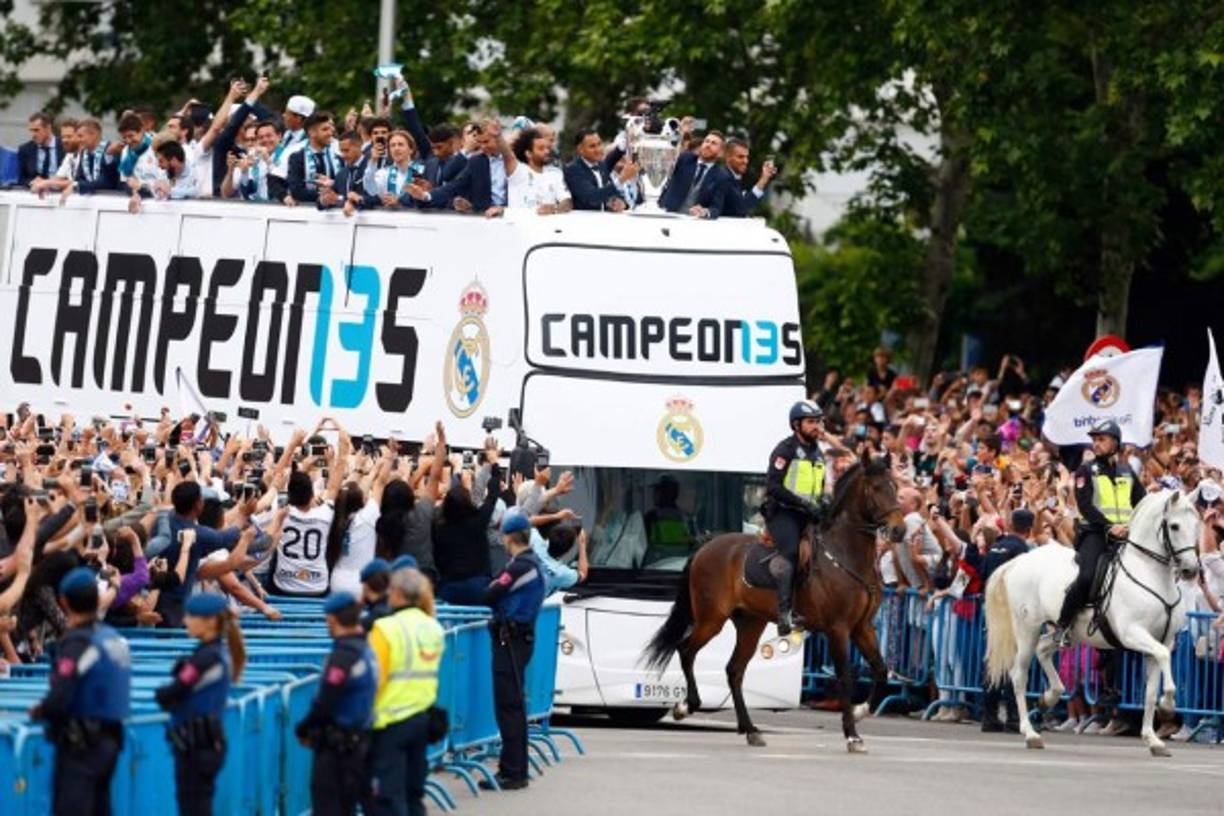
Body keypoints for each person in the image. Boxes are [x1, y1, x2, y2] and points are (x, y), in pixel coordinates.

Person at [27, 567, 131, 816]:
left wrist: (41, 711)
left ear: (63, 601)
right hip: (111, 742)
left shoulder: (78, 643)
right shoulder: (113, 638)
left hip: (82, 747)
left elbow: (60, 695)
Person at [1054, 419, 1146, 645]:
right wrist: (1109, 526)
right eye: (1094, 439)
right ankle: (1063, 625)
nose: (1096, 443)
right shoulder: (1086, 470)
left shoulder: (1127, 472)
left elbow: (1141, 503)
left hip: (1126, 535)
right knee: (1086, 577)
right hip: (1095, 533)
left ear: (1116, 442)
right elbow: (1086, 506)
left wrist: (1132, 525)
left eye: (1101, 439)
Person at [154, 592, 246, 816]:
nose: (185, 621)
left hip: (198, 746)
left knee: (194, 807)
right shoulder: (214, 654)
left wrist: (164, 692)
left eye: (192, 616)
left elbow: (172, 693)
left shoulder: (206, 658)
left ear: (210, 621)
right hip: (203, 744)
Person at [367, 566, 444, 816]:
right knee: (413, 794)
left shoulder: (385, 628)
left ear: (396, 592)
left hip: (390, 720)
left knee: (388, 798)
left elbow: (374, 678)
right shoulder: (432, 626)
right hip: (422, 717)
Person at [480, 508, 546, 791]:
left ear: (509, 537)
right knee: (513, 706)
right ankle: (514, 768)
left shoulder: (520, 566)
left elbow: (491, 593)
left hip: (511, 640)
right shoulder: (531, 563)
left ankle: (513, 771)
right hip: (517, 639)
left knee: (509, 707)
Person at [296, 592, 378, 816]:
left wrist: (303, 728)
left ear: (332, 619)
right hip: (360, 741)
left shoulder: (344, 655)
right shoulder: (365, 650)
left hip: (339, 748)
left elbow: (327, 700)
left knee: (330, 807)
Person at [762, 400, 831, 635]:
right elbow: (773, 487)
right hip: (783, 512)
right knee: (791, 551)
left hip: (808, 514)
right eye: (811, 422)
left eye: (818, 422)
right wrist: (803, 503)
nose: (816, 427)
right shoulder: (784, 450)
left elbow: (818, 487)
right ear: (796, 425)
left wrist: (822, 502)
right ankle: (784, 612)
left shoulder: (818, 453)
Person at [978, 509, 1031, 732]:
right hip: (1011, 610)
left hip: (992, 609)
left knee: (994, 660)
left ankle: (989, 715)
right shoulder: (1021, 550)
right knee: (1015, 663)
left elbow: (982, 575)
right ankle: (1013, 716)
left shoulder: (996, 547)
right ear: (1029, 530)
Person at [658, 130, 726, 216]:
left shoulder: (721, 176)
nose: (708, 145)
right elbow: (663, 162)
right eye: (706, 141)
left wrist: (705, 212)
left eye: (714, 143)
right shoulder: (684, 159)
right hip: (667, 213)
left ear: (721, 152)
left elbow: (716, 208)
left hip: (695, 222)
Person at [505, 127, 572, 214]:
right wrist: (497, 136)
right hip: (520, 225)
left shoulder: (555, 173)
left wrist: (555, 209)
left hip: (548, 226)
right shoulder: (517, 170)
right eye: (541, 148)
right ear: (528, 153)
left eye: (547, 148)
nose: (547, 151)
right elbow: (507, 154)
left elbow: (567, 201)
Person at [704, 138, 776, 218]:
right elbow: (741, 208)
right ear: (728, 157)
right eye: (740, 157)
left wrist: (764, 177)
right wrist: (763, 178)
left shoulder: (733, 177)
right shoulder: (724, 177)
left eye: (746, 157)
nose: (746, 161)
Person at [563, 129, 630, 211]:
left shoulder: (601, 165)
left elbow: (614, 193)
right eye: (592, 146)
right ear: (580, 150)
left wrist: (621, 202)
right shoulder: (573, 170)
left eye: (599, 144)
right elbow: (593, 198)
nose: (598, 149)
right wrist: (621, 179)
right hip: (583, 221)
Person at [287, 111, 339, 205]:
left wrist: (333, 185)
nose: (330, 133)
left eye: (331, 129)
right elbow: (296, 191)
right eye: (325, 129)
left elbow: (346, 185)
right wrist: (325, 196)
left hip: (336, 213)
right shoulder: (297, 158)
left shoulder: (338, 156)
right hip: (308, 212)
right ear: (312, 133)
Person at [18, 111, 62, 187]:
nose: (33, 134)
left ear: (48, 128)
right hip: (35, 192)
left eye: (36, 130)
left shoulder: (64, 146)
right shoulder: (25, 149)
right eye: (31, 130)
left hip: (59, 190)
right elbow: (20, 178)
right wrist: (32, 182)